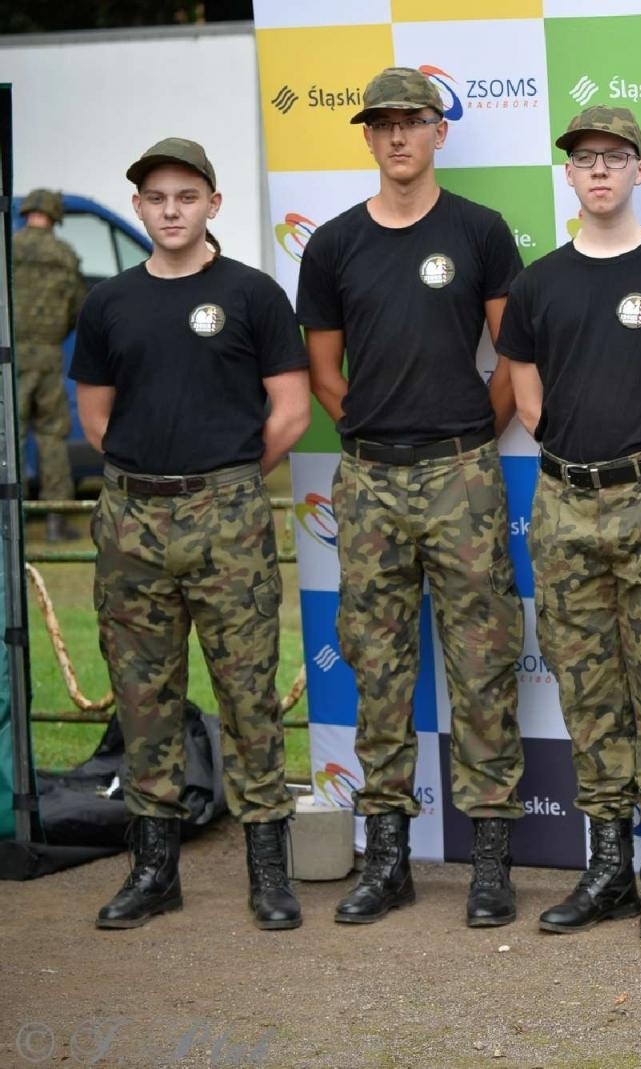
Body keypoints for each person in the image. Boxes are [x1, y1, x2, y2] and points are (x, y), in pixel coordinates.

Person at [296, 67, 526, 928]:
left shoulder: (479, 230)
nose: (398, 136)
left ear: (439, 131)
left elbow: (513, 358)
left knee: (483, 663)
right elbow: (324, 372)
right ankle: (387, 858)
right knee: (378, 664)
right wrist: (375, 436)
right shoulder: (333, 245)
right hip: (368, 482)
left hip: (463, 476)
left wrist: (467, 436)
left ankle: (492, 864)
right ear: (367, 136)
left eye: (413, 121)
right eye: (383, 123)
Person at [72, 138, 310, 930]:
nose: (171, 210)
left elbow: (291, 411)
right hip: (132, 522)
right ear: (138, 207)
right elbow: (97, 420)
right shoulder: (109, 302)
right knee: (144, 697)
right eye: (156, 198)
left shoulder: (252, 294)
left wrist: (225, 475)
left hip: (228, 517)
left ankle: (268, 871)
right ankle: (154, 870)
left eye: (186, 196)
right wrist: (156, 479)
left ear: (213, 203)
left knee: (249, 695)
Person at [498, 105, 641, 938]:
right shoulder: (539, 282)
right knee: (587, 686)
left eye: (614, 156)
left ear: (640, 170)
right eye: (585, 157)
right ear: (568, 173)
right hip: (564, 501)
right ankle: (607, 869)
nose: (598, 169)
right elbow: (527, 399)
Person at [13, 187, 88, 540]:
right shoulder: (65, 255)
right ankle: (57, 520)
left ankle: (10, 517)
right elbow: (77, 308)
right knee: (52, 436)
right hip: (48, 355)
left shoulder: (8, 250)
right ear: (55, 216)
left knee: (9, 435)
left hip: (9, 357)